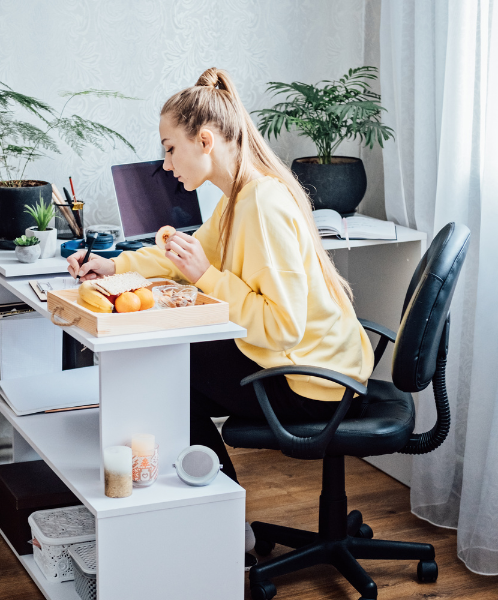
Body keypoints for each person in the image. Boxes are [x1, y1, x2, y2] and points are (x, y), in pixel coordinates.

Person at [67, 67, 375, 563]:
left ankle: (224, 519)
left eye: (170, 148)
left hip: (315, 384)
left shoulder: (263, 206)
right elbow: (184, 260)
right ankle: (209, 506)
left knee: (170, 372)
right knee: (176, 362)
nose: (166, 164)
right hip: (308, 363)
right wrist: (114, 264)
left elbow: (282, 326)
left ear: (204, 140)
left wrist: (209, 275)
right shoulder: (237, 199)